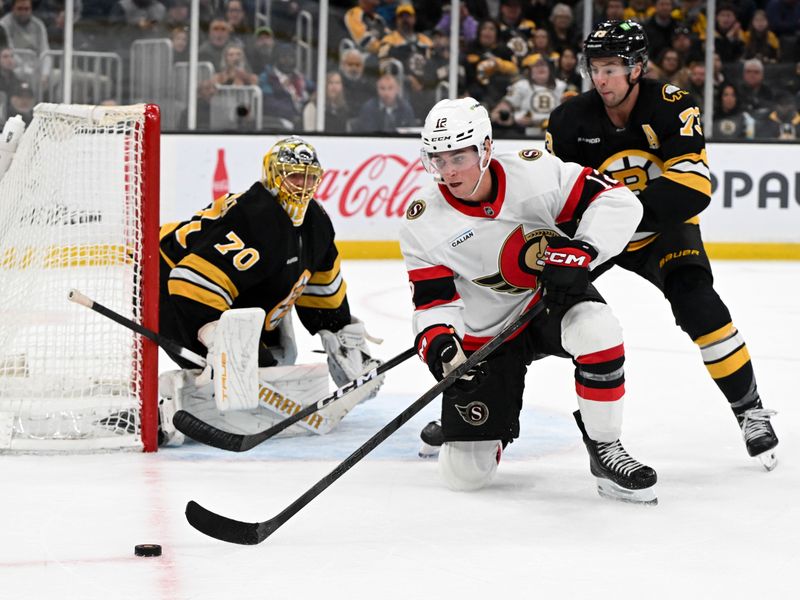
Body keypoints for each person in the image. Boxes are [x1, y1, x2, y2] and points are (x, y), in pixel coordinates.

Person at [545, 20, 779, 470]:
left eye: (612, 67)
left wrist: (619, 215)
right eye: (595, 68)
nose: (601, 78)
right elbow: (558, 201)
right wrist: (582, 243)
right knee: (537, 302)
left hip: (664, 229)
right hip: (599, 235)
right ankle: (476, 414)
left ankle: (749, 410)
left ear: (637, 68)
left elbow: (693, 187)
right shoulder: (569, 119)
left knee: (698, 302)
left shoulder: (672, 105)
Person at [401, 97, 658, 504]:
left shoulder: (534, 170)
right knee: (465, 477)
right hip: (488, 334)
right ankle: (484, 430)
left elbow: (618, 200)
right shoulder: (422, 221)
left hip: (549, 300)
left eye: (458, 157)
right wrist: (439, 342)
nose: (448, 172)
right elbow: (433, 301)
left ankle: (605, 447)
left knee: (597, 329)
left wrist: (584, 250)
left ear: (485, 148)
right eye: (437, 160)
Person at [157, 137, 383, 445]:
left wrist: (339, 332)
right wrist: (217, 340)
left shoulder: (317, 223)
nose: (302, 185)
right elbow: (191, 281)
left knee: (268, 364)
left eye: (309, 176)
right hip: (165, 278)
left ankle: (227, 374)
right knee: (242, 370)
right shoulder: (256, 217)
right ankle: (168, 403)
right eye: (293, 175)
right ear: (274, 176)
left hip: (219, 290)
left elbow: (322, 291)